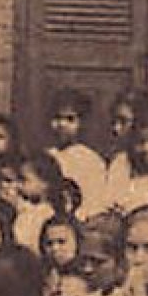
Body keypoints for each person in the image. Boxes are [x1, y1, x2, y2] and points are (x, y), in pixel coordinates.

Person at [45, 88, 107, 219]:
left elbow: (94, 201)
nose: (62, 124)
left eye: (70, 119)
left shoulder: (91, 160)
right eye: (57, 118)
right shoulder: (46, 156)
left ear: (82, 123)